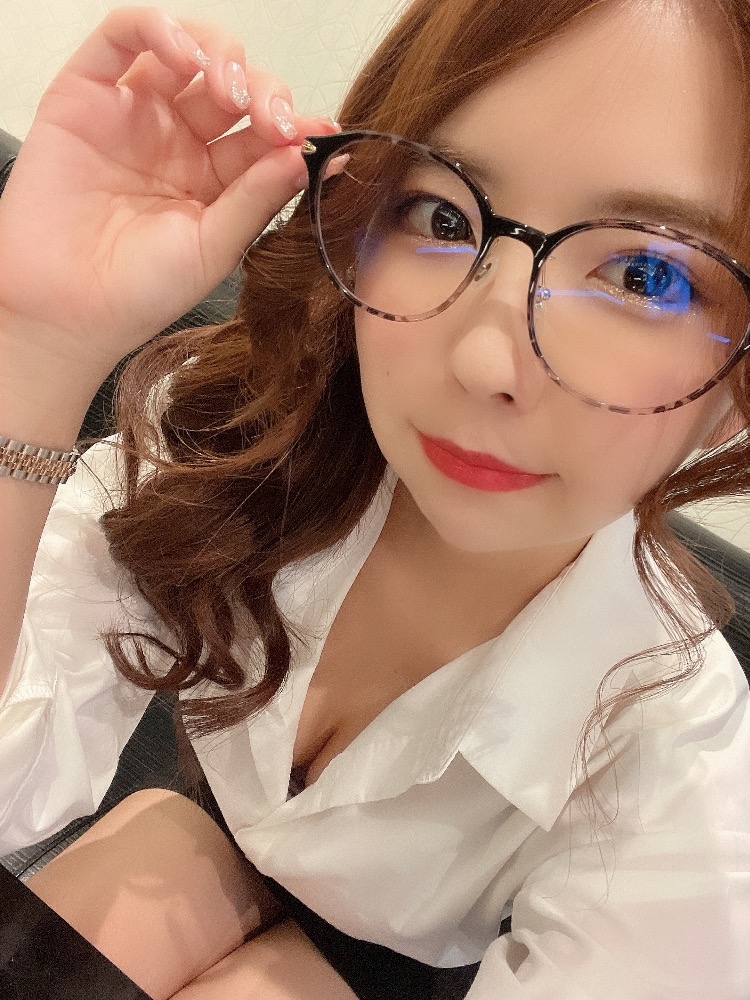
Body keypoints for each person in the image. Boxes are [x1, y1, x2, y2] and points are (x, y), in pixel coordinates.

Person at [0, 0, 749, 997]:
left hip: (427, 973)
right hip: (197, 826)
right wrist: (37, 344)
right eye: (442, 215)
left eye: (646, 275)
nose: (486, 360)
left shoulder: (670, 743)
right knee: (149, 860)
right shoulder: (239, 434)